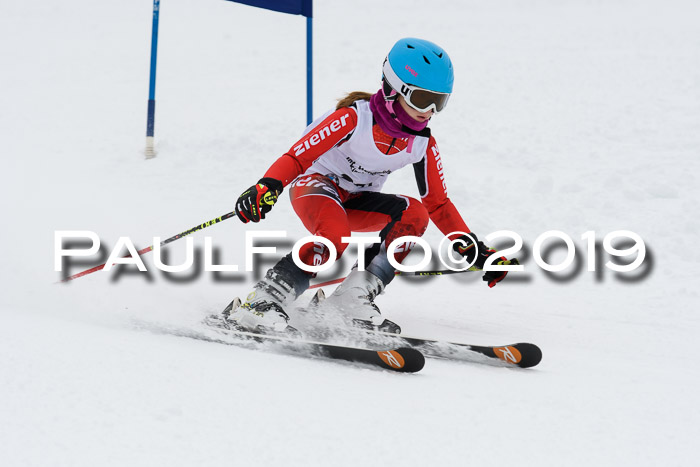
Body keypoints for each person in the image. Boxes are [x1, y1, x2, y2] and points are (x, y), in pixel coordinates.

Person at [230, 38, 517, 334]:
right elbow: (297, 157)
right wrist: (267, 187)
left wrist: (474, 249)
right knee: (334, 235)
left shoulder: (422, 144)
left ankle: (351, 298)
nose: (429, 110)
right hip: (315, 186)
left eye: (439, 101)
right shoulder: (353, 118)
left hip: (357, 199)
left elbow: (438, 204)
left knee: (414, 214)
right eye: (421, 99)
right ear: (393, 89)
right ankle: (263, 300)